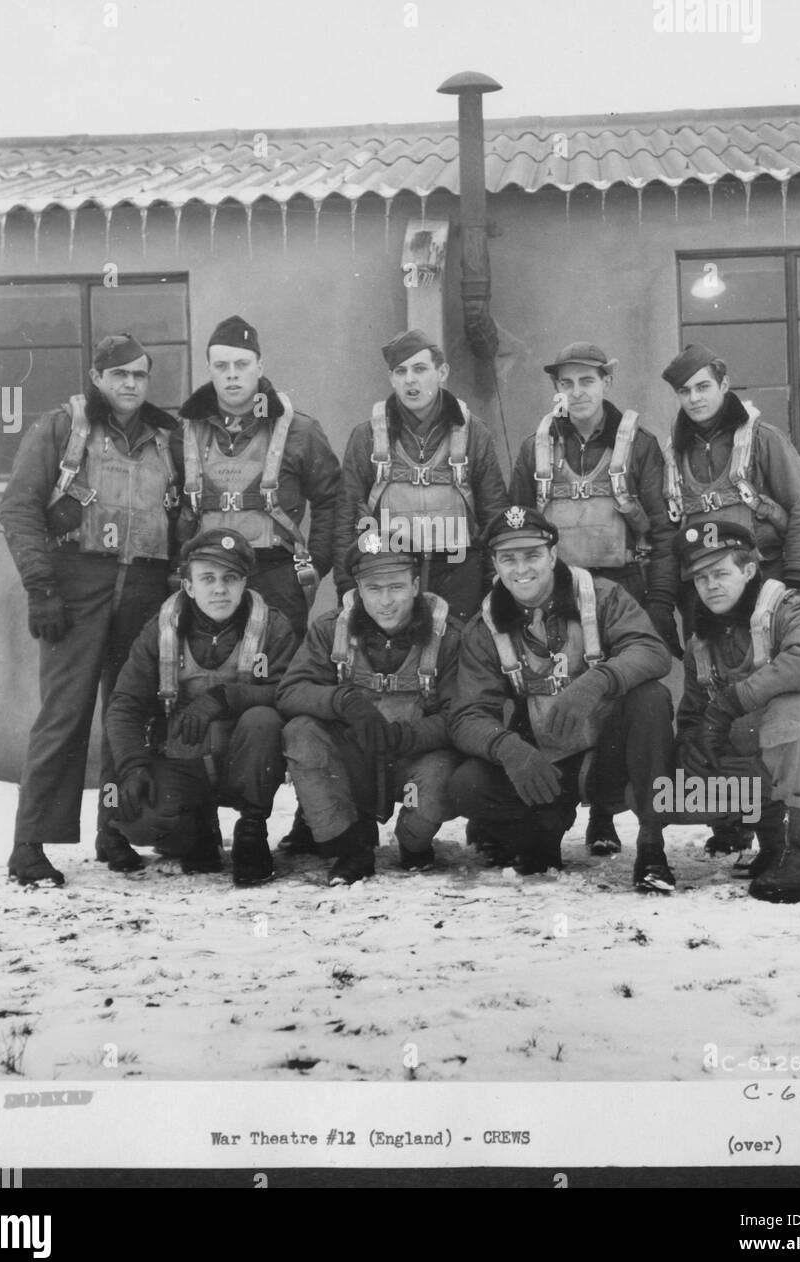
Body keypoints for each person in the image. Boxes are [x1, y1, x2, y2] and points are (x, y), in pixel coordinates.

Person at [0, 333, 181, 886]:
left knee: (130, 712)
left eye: (140, 375)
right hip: (77, 585)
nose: (130, 385)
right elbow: (19, 509)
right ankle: (28, 845)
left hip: (146, 586)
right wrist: (41, 587)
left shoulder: (166, 438)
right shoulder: (63, 429)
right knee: (65, 715)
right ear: (98, 378)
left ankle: (115, 829)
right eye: (119, 375)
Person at [171, 313, 340, 856]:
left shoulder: (299, 429)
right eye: (221, 366)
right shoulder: (186, 431)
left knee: (291, 695)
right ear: (210, 370)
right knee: (200, 687)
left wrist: (320, 562)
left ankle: (314, 818)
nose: (232, 375)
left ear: (260, 367)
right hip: (210, 582)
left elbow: (334, 497)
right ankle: (203, 819)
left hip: (274, 573)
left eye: (242, 365)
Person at [448, 506, 677, 891]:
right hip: (546, 766)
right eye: (509, 559)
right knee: (467, 785)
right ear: (495, 565)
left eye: (532, 556)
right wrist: (508, 749)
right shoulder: (484, 626)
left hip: (607, 755)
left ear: (553, 556)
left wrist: (597, 681)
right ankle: (541, 826)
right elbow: (467, 714)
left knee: (651, 698)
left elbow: (653, 651)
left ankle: (652, 845)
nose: (521, 569)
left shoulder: (600, 596)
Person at [509, 342, 681, 856]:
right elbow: (513, 530)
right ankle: (554, 805)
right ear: (557, 389)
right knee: (550, 687)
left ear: (607, 381)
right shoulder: (534, 446)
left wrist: (659, 601)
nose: (577, 392)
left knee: (619, 694)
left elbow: (665, 532)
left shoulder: (639, 444)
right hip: (552, 593)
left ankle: (606, 812)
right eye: (567, 382)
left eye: (587, 381)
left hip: (621, 587)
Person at [661, 341, 800, 857]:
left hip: (762, 581)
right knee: (713, 691)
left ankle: (780, 828)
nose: (695, 398)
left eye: (704, 386)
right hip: (704, 592)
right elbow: (668, 530)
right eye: (685, 391)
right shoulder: (675, 451)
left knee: (762, 693)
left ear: (724, 385)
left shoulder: (761, 439)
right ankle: (732, 819)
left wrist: (794, 582)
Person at [673, 521, 800, 903]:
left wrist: (734, 700)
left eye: (720, 573)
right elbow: (694, 713)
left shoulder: (787, 608)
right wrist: (693, 743)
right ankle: (773, 846)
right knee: (690, 756)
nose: (710, 585)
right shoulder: (701, 642)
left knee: (787, 712)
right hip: (767, 763)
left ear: (748, 571)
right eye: (700, 578)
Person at [104, 529, 298, 884]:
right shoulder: (162, 629)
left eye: (230, 578)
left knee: (263, 719)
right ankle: (195, 831)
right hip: (183, 758)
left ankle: (252, 831)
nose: (220, 589)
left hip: (244, 758)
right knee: (140, 818)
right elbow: (124, 703)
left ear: (244, 583)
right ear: (188, 586)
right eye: (207, 578)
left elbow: (287, 691)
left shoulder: (273, 627)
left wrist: (223, 698)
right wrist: (132, 766)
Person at [276, 531, 463, 885]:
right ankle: (349, 846)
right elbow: (291, 691)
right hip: (354, 758)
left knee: (443, 774)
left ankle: (413, 840)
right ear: (359, 590)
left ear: (415, 585)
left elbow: (459, 714)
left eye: (396, 587)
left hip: (414, 757)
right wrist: (342, 701)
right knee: (300, 732)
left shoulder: (449, 635)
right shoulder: (330, 629)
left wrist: (406, 735)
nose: (386, 601)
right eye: (374, 589)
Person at [332, 328, 508, 624]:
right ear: (391, 379)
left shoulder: (474, 433)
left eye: (420, 369)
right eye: (400, 371)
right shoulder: (366, 437)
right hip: (391, 569)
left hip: (459, 571)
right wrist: (347, 588)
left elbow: (494, 515)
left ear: (442, 372)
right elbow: (346, 518)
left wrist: (496, 586)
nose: (410, 379)